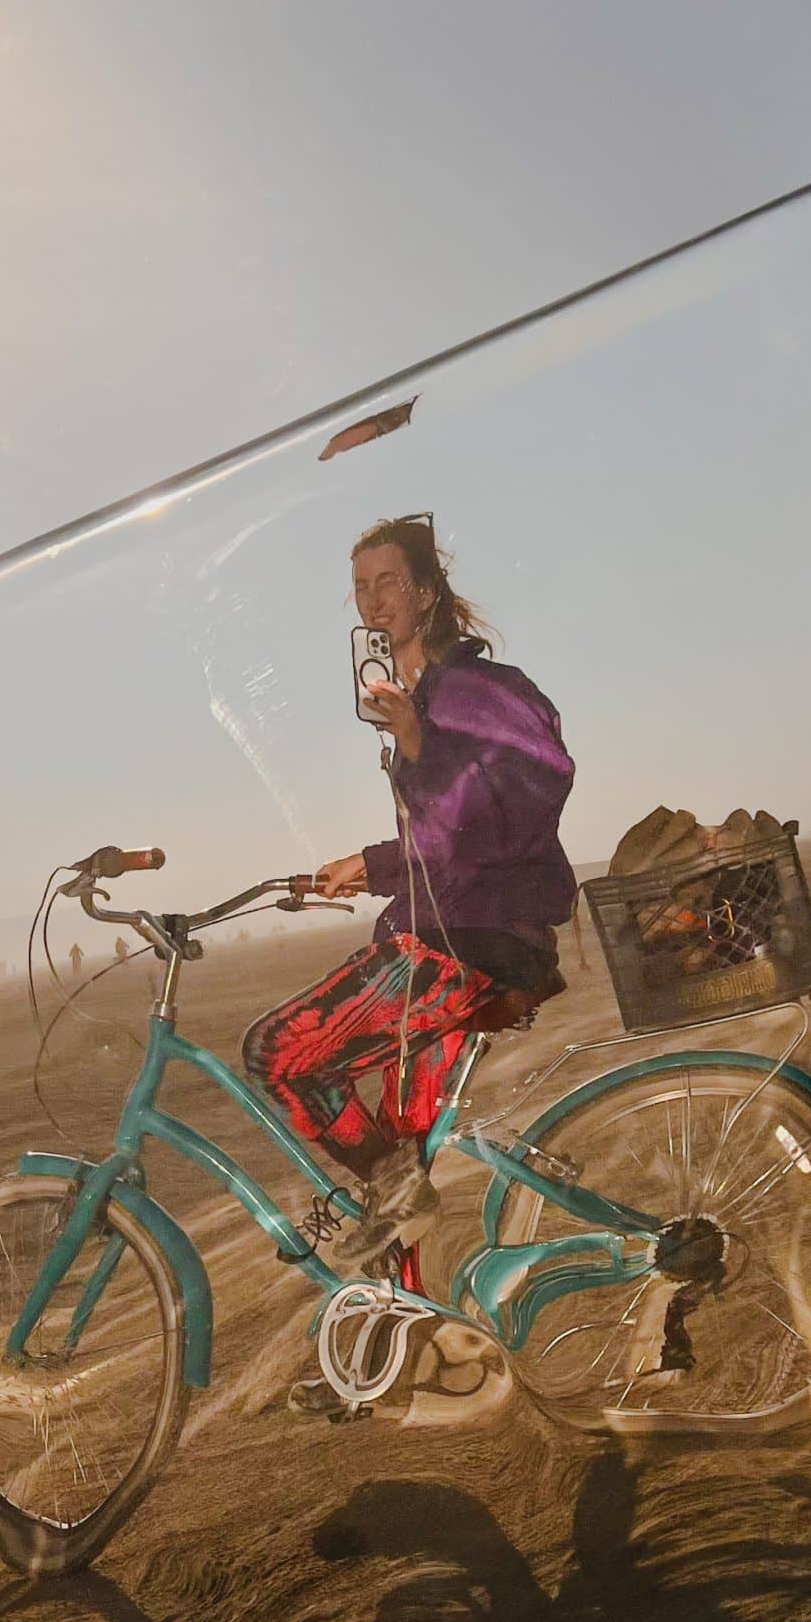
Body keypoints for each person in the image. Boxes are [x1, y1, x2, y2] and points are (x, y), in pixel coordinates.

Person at [243, 516, 575, 1273]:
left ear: (425, 591)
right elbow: (450, 841)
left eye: (388, 580)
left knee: (278, 1055)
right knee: (398, 1166)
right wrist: (369, 865)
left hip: (468, 945)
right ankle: (416, 1352)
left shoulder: (478, 690)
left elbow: (524, 802)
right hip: (456, 933)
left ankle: (398, 1194)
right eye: (359, 587)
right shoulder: (423, 701)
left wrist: (421, 746)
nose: (371, 599)